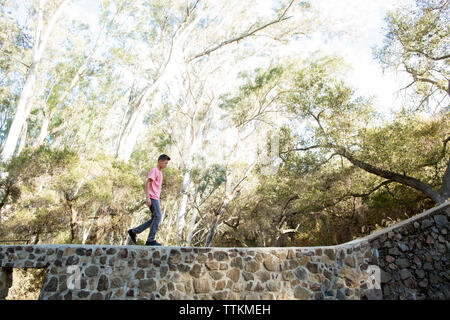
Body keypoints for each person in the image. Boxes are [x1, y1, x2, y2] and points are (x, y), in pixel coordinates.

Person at [128, 154, 170, 246]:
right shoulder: (154, 170)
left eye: (167, 163)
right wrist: (148, 197)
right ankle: (150, 240)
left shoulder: (160, 172)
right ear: (159, 161)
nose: (166, 165)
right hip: (152, 197)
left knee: (155, 218)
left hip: (155, 198)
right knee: (158, 217)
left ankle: (134, 231)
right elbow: (147, 183)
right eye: (165, 163)